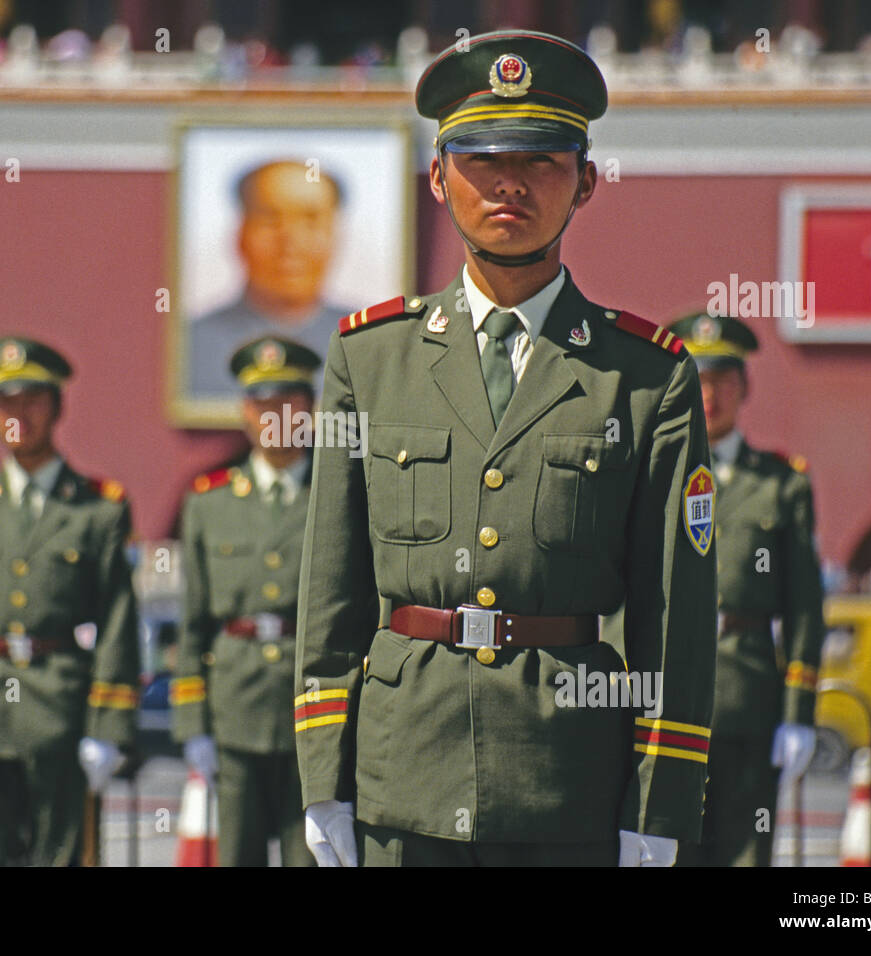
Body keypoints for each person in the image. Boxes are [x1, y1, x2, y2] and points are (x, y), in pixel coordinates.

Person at [295, 30, 718, 867]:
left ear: (587, 181)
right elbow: (330, 594)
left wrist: (659, 804)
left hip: (567, 788)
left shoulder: (643, 379)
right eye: (483, 158)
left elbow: (674, 618)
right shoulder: (370, 359)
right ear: (438, 177)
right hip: (402, 779)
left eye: (543, 159)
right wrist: (322, 781)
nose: (510, 183)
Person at [0, 336, 141, 866]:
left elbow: (118, 621)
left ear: (57, 407)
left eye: (32, 399)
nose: (18, 414)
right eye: (6, 401)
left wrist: (109, 729)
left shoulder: (97, 509)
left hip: (62, 712)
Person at [666, 311, 825, 866]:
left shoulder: (781, 484)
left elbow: (806, 606)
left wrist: (798, 711)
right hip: (664, 695)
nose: (710, 397)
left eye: (724, 382)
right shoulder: (655, 474)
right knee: (665, 849)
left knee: (744, 853)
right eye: (700, 381)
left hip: (748, 695)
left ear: (744, 388)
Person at [171, 336, 321, 866]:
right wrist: (192, 723)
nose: (274, 415)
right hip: (234, 709)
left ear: (310, 409)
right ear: (243, 412)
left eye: (288, 401)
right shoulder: (209, 502)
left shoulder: (340, 495)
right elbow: (192, 623)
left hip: (316, 713)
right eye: (262, 403)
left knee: (311, 857)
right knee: (237, 856)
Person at [188, 160, 352, 397]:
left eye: (311, 220)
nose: (290, 241)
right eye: (269, 219)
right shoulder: (192, 343)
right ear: (240, 235)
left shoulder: (368, 340)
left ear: (335, 237)